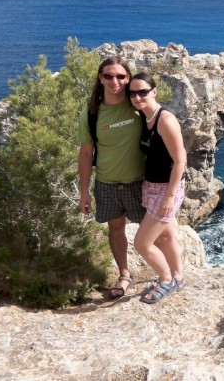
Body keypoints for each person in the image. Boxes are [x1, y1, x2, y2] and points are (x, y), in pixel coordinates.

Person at [77, 56, 145, 299]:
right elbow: (86, 154)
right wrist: (84, 192)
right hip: (107, 183)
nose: (114, 81)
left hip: (140, 183)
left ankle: (166, 274)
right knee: (116, 229)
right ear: (100, 78)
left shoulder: (138, 105)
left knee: (156, 230)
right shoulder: (91, 114)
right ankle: (124, 274)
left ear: (128, 78)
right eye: (108, 76)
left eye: (120, 76)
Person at [129, 72, 187, 304]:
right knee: (166, 236)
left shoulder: (165, 120)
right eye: (132, 93)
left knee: (142, 243)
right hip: (151, 186)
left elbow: (181, 159)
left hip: (166, 189)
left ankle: (165, 279)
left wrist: (169, 196)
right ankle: (179, 278)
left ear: (154, 91)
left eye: (142, 91)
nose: (137, 96)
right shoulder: (144, 118)